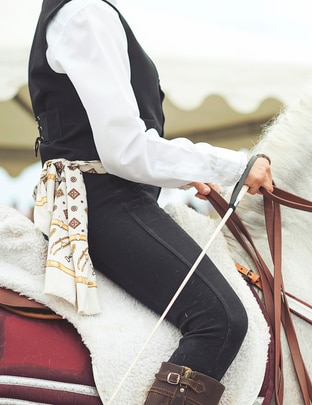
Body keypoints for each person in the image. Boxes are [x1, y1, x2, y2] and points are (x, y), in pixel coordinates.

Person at [27, 1, 273, 404]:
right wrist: (234, 166)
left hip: (98, 193)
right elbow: (124, 150)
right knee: (220, 319)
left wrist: (181, 171)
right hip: (103, 200)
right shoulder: (87, 13)